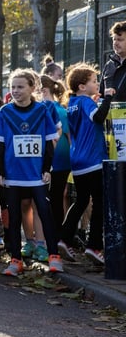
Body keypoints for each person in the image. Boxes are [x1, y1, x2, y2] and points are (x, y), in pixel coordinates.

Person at [0, 69, 63, 276]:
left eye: (20, 87)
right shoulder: (4, 112)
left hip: (36, 175)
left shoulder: (42, 111)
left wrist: (46, 168)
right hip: (13, 174)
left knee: (45, 213)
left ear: (33, 88)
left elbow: (50, 142)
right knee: (14, 217)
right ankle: (16, 259)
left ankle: (53, 256)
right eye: (13, 87)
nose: (15, 91)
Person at [58, 63, 113, 265]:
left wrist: (97, 101)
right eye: (93, 81)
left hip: (78, 160)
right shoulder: (86, 102)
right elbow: (99, 118)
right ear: (82, 86)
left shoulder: (72, 103)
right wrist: (107, 98)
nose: (97, 83)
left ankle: (64, 239)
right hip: (93, 159)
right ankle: (95, 246)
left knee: (81, 200)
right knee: (98, 203)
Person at [39, 74, 71, 240]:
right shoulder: (61, 110)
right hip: (63, 160)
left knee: (51, 198)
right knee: (57, 197)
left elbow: (63, 134)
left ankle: (53, 234)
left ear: (43, 90)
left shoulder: (45, 109)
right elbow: (70, 136)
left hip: (52, 159)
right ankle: (57, 234)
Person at [101, 20, 126, 101]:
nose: (115, 43)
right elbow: (101, 93)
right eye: (114, 39)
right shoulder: (109, 65)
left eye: (120, 39)